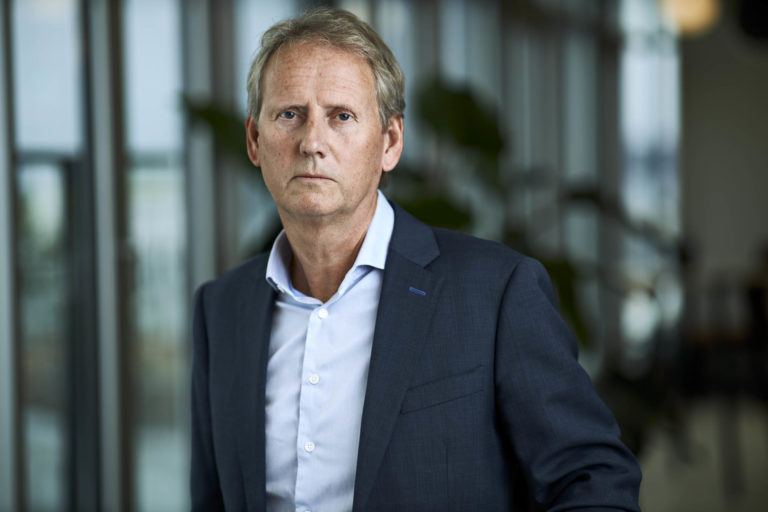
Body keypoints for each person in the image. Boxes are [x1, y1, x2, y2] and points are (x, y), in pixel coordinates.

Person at [191, 7, 641, 512]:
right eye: (289, 114)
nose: (312, 142)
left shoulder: (496, 294)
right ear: (255, 140)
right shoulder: (220, 309)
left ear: (390, 142)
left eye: (341, 116)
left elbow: (593, 479)